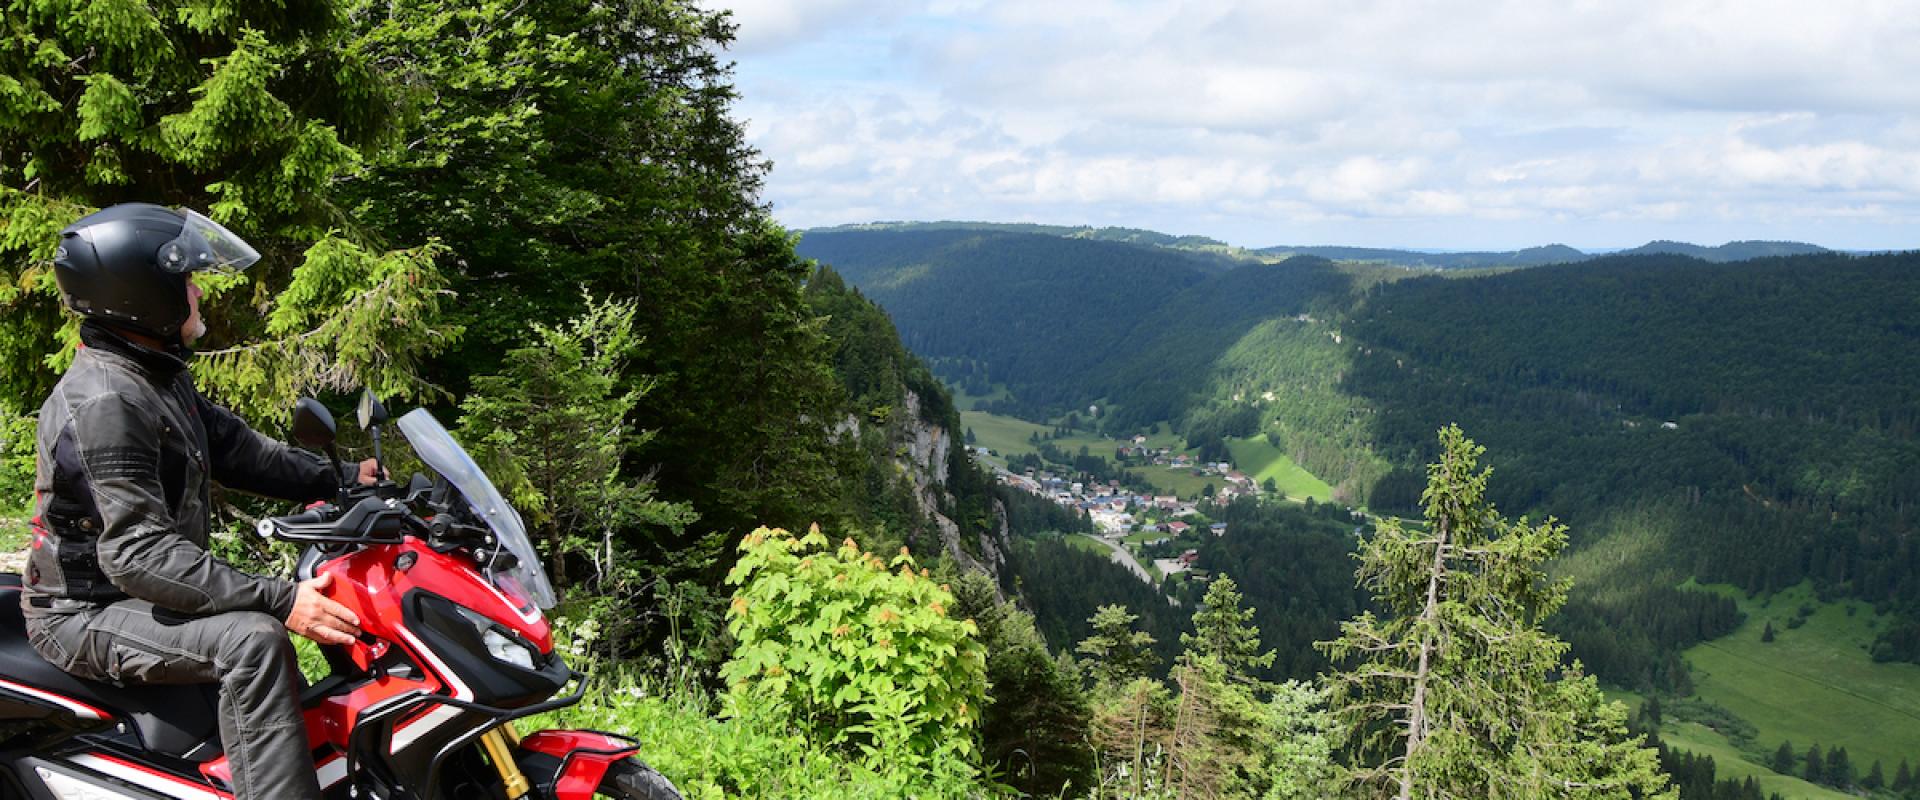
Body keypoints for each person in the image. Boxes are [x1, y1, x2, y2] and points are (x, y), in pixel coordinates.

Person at [21, 203, 378, 799]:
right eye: (185, 280)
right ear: (143, 294)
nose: (198, 292)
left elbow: (241, 451)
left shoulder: (154, 375)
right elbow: (137, 554)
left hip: (129, 595)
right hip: (83, 613)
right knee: (253, 641)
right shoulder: (109, 401)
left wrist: (341, 479)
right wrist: (281, 599)